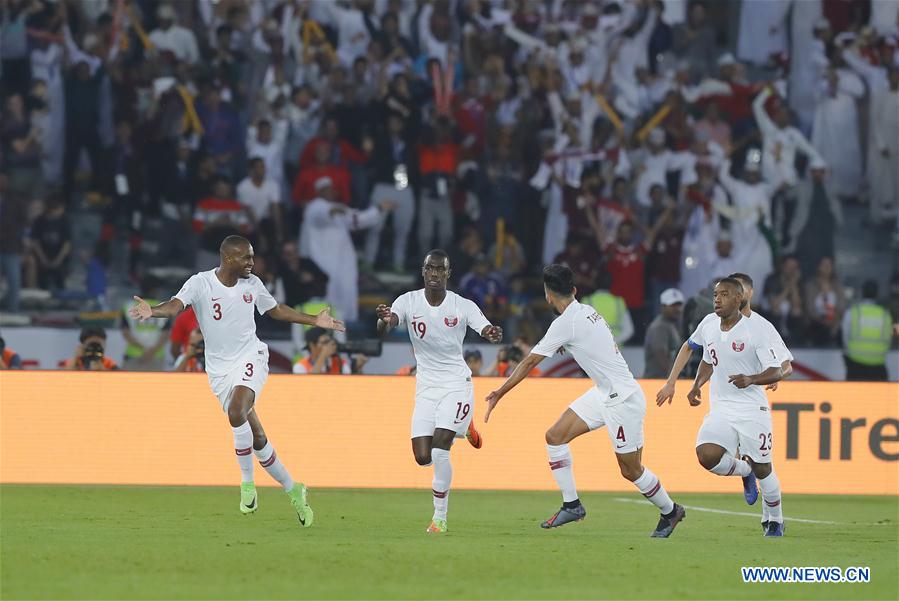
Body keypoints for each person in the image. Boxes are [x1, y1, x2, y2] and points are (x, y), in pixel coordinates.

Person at [129, 235, 346, 526]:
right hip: (219, 370)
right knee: (257, 439)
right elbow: (175, 306)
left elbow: (276, 310)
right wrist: (152, 311)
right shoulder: (201, 283)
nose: (252, 263)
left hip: (251, 357)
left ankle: (246, 484)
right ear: (229, 258)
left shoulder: (253, 285)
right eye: (246, 258)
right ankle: (294, 488)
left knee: (236, 411)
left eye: (252, 257)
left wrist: (313, 320)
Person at [484, 264, 686, 538]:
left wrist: (500, 392)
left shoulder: (564, 323)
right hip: (604, 392)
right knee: (555, 436)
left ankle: (670, 510)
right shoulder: (587, 311)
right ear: (574, 291)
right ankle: (572, 505)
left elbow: (530, 360)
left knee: (631, 470)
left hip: (622, 399)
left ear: (547, 295)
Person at [375, 250, 503, 533]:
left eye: (439, 269)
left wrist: (491, 333)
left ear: (448, 273)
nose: (434, 274)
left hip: (457, 385)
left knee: (440, 450)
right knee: (422, 457)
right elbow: (387, 325)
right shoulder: (407, 301)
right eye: (429, 269)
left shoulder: (462, 306)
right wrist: (384, 319)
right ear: (423, 271)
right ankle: (464, 426)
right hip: (426, 388)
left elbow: (484, 327)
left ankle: (439, 518)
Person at [677, 278, 787, 536]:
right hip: (722, 408)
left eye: (724, 295)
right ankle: (745, 471)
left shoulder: (755, 331)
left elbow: (777, 371)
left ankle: (775, 520)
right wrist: (696, 385)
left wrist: (751, 379)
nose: (717, 299)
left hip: (751, 410)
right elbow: (707, 360)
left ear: (739, 299)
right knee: (706, 455)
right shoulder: (708, 324)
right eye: (716, 294)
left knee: (764, 467)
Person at [299, 176, 394, 322]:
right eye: (326, 189)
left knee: (348, 293)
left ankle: (349, 324)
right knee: (329, 296)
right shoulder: (315, 206)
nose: (330, 192)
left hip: (344, 261)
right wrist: (333, 210)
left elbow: (358, 220)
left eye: (331, 189)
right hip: (324, 262)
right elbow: (322, 215)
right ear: (319, 191)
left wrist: (379, 208)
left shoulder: (339, 208)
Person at [842, 280, 893, 381]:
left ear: (862, 293)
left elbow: (845, 337)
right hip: (878, 366)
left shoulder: (852, 312)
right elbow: (889, 339)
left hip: (856, 366)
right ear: (877, 294)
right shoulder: (885, 315)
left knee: (855, 396)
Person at [643, 289, 684, 378]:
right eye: (673, 306)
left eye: (679, 305)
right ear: (663, 307)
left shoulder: (671, 324)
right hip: (657, 380)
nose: (677, 309)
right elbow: (660, 353)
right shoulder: (660, 326)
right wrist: (675, 376)